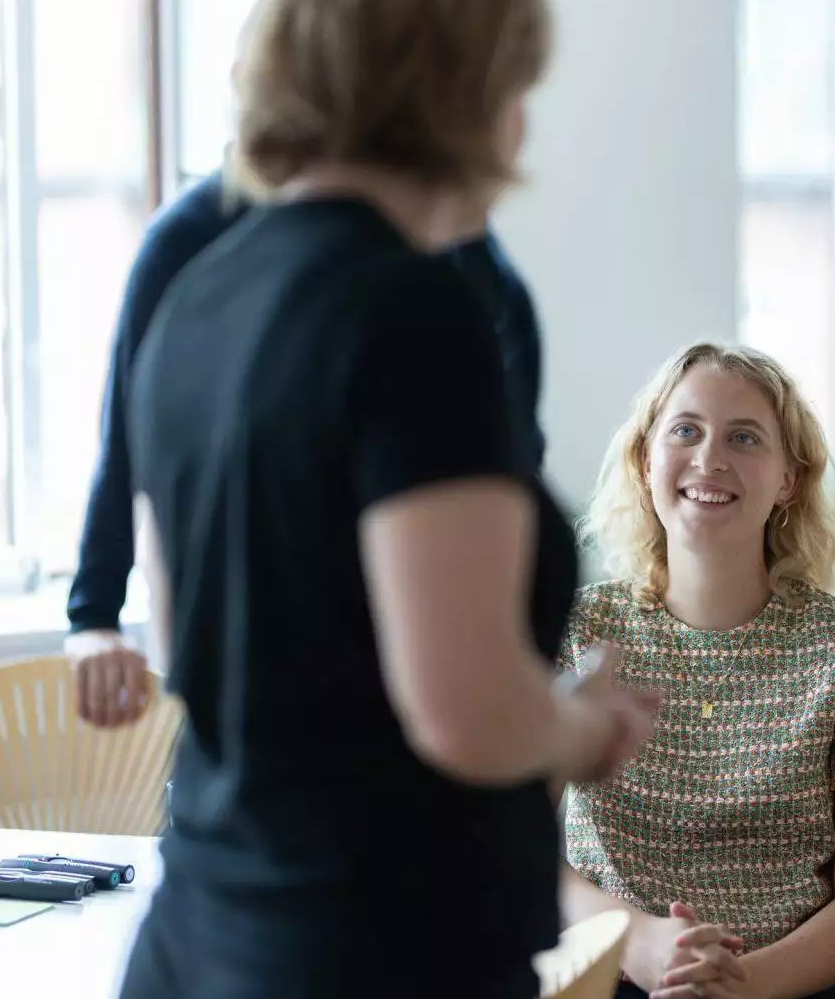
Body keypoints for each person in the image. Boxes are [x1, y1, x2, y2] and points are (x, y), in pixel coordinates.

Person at [107, 0, 656, 999]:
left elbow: (186, 634)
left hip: (199, 962)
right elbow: (464, 712)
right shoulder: (411, 310)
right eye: (517, 85)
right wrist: (577, 725)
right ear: (461, 85)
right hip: (367, 972)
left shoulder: (194, 295)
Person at [64, 70, 545, 729]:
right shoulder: (194, 243)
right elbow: (131, 438)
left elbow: (513, 470)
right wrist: (93, 611)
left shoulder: (471, 273)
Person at [559, 343, 835, 999]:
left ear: (788, 479)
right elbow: (513, 845)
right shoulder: (582, 630)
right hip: (599, 979)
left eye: (743, 438)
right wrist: (638, 942)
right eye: (685, 431)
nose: (708, 459)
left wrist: (740, 982)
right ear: (646, 460)